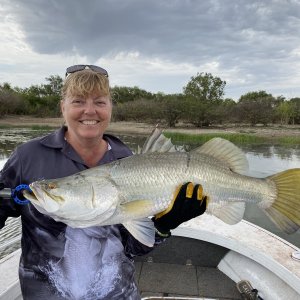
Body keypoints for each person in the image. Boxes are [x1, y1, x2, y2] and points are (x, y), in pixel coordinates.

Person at [0, 65, 207, 300]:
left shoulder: (128, 160)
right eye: (78, 101)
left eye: (99, 102)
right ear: (63, 107)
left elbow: (130, 249)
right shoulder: (28, 156)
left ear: (110, 108)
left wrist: (164, 225)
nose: (90, 111)